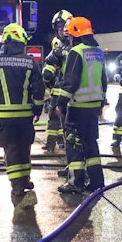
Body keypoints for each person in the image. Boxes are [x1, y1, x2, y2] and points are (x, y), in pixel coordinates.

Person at [0, 23, 46, 210]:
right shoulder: (30, 62)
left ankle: (17, 185)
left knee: (11, 149)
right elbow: (39, 89)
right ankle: (25, 180)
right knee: (25, 148)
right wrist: (38, 110)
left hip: (6, 117)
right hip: (25, 116)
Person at [53, 16, 107, 194]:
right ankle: (97, 181)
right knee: (91, 143)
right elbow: (103, 80)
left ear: (76, 34)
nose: (69, 39)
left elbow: (71, 81)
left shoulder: (76, 52)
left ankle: (76, 182)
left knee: (73, 143)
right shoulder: (98, 52)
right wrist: (101, 103)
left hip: (78, 107)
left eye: (70, 36)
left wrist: (61, 102)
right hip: (93, 106)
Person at [40, 9, 72, 153]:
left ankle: (66, 143)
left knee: (67, 120)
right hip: (57, 86)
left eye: (63, 26)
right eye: (58, 26)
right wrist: (48, 78)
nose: (60, 29)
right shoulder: (56, 43)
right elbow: (51, 64)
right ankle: (51, 143)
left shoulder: (75, 43)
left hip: (70, 89)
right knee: (53, 116)